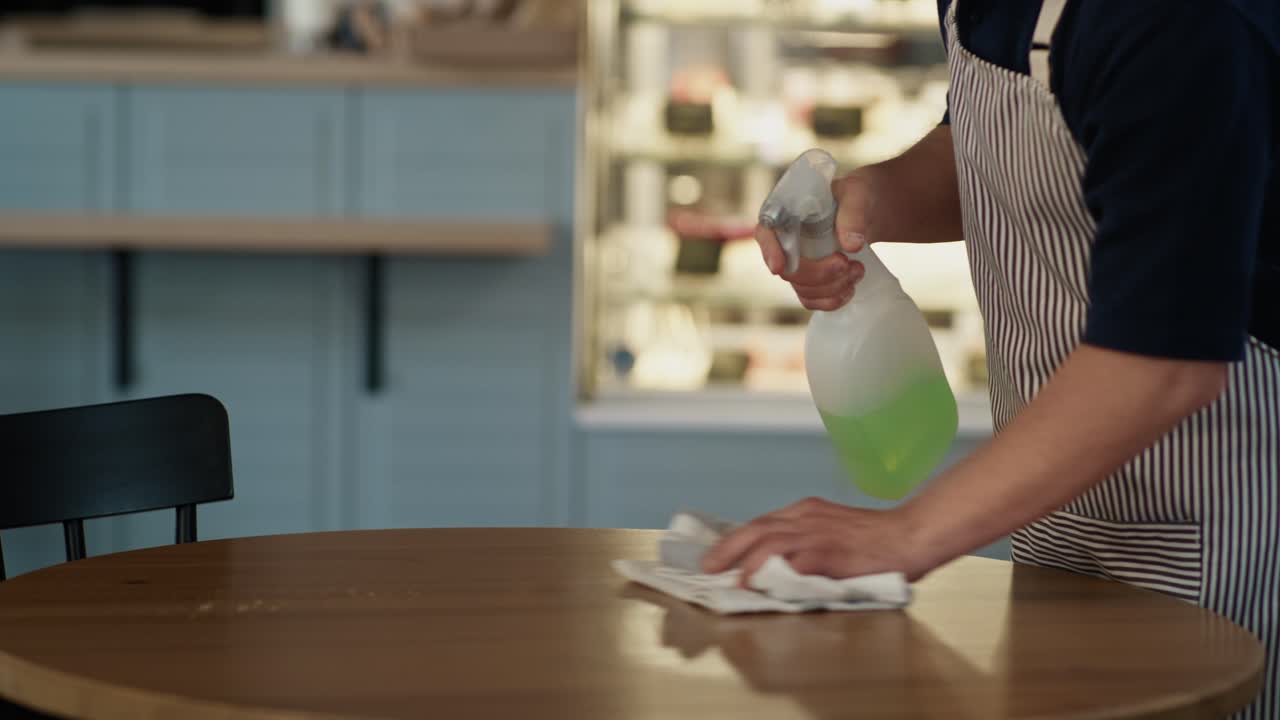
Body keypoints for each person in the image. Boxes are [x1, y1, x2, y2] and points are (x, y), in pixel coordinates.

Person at [701, 1, 1279, 716]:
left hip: (1217, 508)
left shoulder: (1178, 23)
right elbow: (994, 147)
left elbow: (1167, 362)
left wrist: (904, 534)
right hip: (1057, 493)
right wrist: (870, 202)